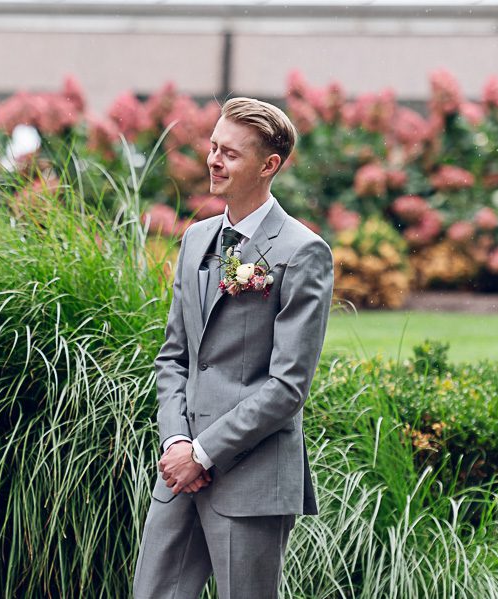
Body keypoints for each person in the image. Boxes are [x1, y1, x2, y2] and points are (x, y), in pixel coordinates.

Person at [133, 97, 334, 598]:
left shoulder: (302, 252)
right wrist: (177, 443)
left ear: (270, 166)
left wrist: (204, 453)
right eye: (213, 146)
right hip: (179, 474)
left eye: (231, 154)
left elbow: (288, 387)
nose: (214, 161)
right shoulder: (197, 239)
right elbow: (175, 358)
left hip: (252, 480)